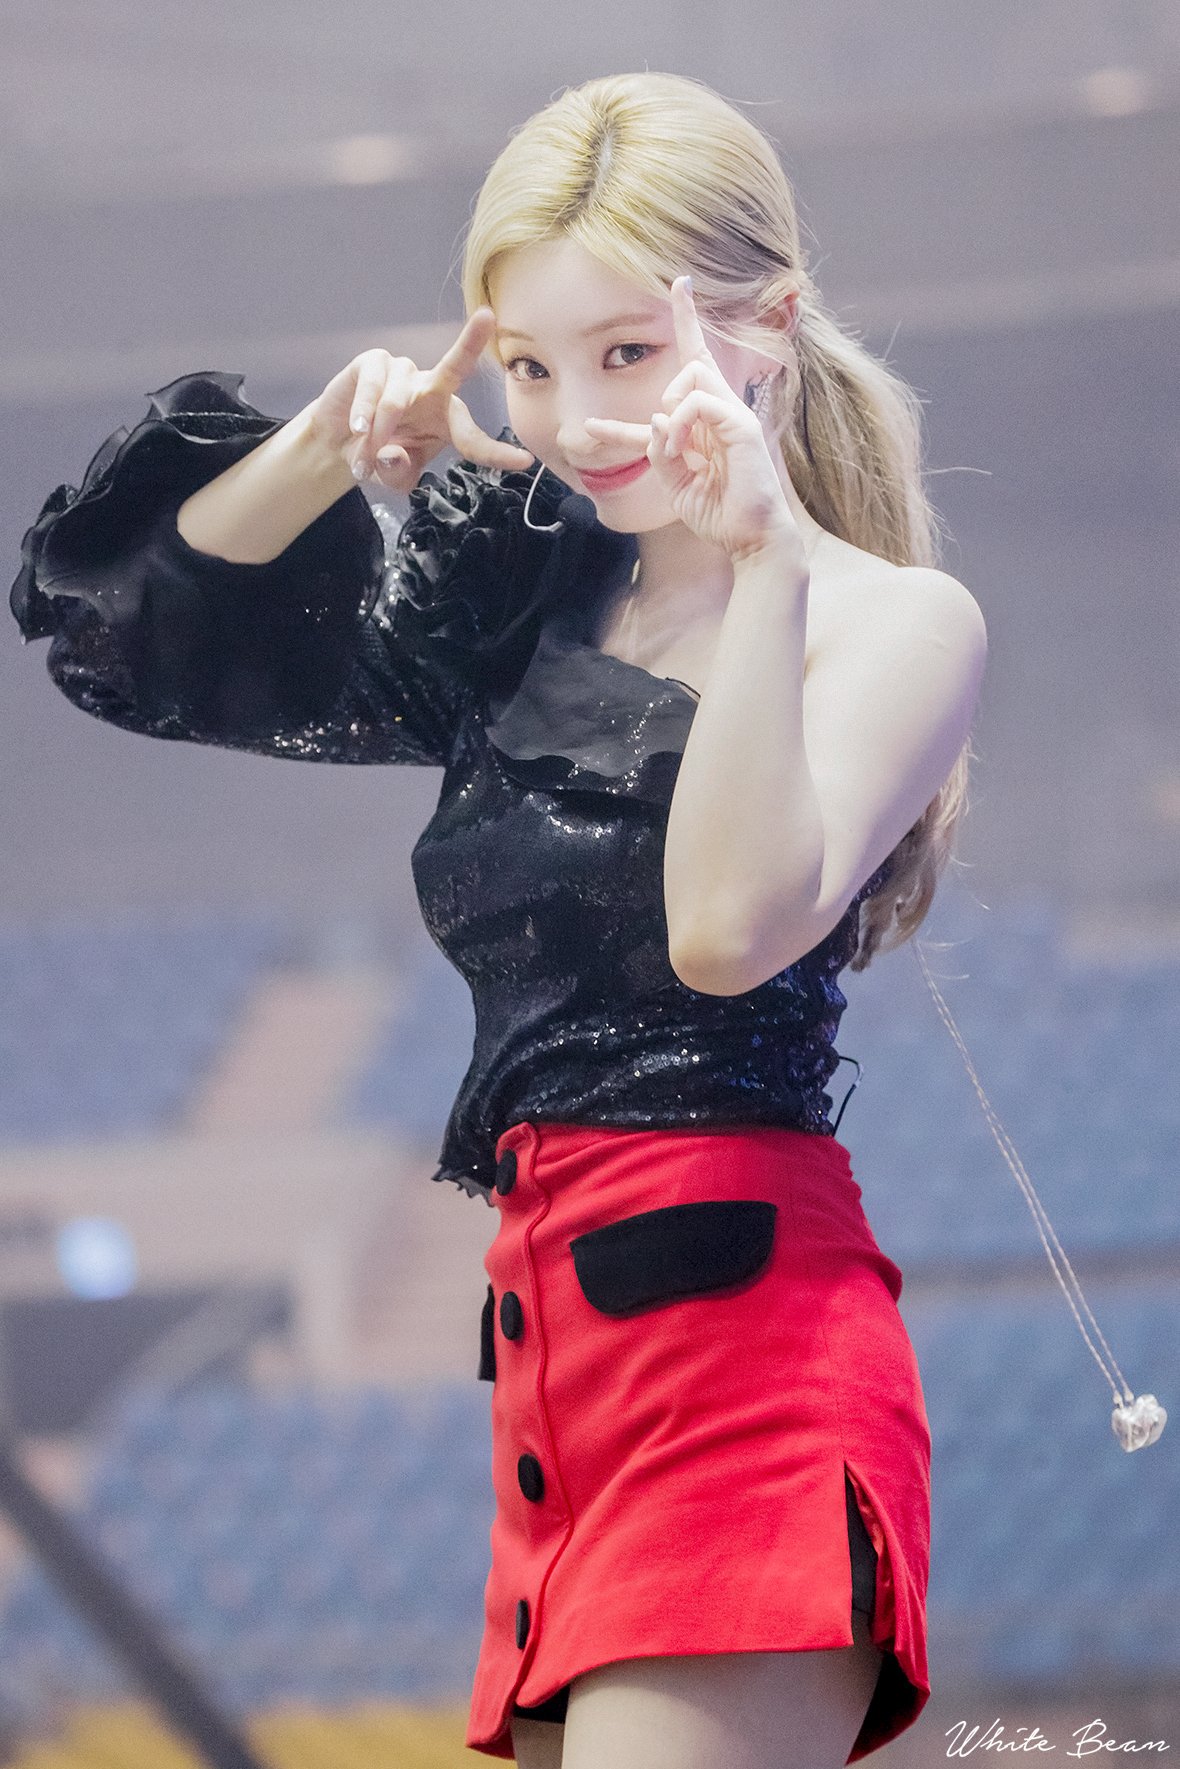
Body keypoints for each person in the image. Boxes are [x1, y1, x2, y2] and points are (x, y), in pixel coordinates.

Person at [11, 70, 987, 1769]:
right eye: (528, 367)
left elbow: (725, 926)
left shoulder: (891, 619)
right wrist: (328, 444)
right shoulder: (526, 590)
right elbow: (130, 647)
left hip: (749, 1372)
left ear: (770, 324)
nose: (578, 419)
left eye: (629, 351)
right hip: (556, 1375)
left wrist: (761, 561)